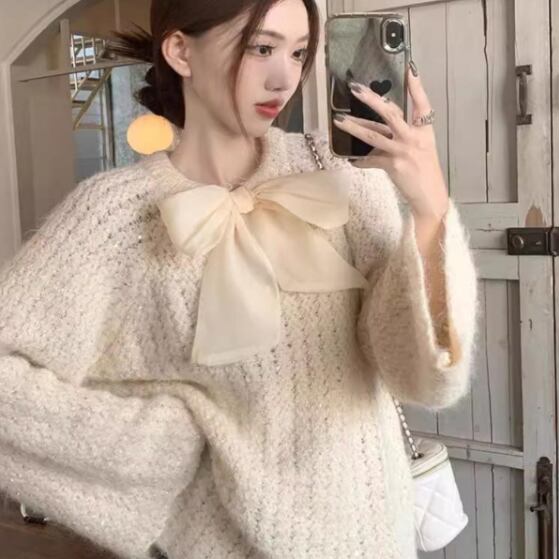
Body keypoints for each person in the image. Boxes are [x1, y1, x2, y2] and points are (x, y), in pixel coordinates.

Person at [0, 0, 479, 558]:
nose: (284, 78)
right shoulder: (117, 214)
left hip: (370, 536)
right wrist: (155, 444)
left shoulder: (342, 178)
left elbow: (424, 378)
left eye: (298, 53)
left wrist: (429, 207)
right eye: (261, 47)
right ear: (181, 51)